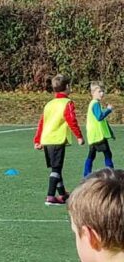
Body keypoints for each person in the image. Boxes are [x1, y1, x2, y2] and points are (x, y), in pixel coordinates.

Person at [34, 74, 84, 205]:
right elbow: (71, 120)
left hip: (47, 139)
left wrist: (37, 140)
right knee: (56, 169)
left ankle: (62, 194)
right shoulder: (67, 103)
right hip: (57, 140)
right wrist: (79, 136)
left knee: (57, 168)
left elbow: (42, 122)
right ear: (67, 87)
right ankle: (50, 196)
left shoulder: (49, 104)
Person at [86, 81, 116, 178]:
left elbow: (101, 121)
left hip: (93, 136)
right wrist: (108, 110)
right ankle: (111, 173)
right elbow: (99, 117)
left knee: (91, 155)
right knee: (108, 154)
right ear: (93, 93)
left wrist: (110, 133)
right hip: (98, 136)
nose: (102, 93)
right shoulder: (95, 104)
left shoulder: (93, 104)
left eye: (103, 91)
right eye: (99, 91)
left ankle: (86, 175)